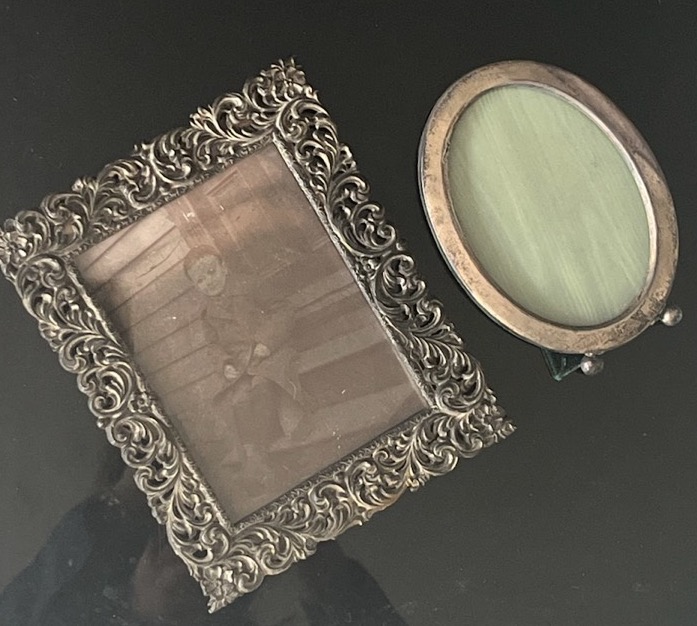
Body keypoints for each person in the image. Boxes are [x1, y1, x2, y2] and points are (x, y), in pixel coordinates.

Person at [183, 246, 309, 499]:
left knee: (262, 384)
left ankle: (256, 462)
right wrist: (225, 364)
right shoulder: (207, 314)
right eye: (200, 280)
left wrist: (267, 340)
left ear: (224, 267)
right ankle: (256, 459)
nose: (209, 281)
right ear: (195, 286)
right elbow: (213, 346)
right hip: (242, 364)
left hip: (271, 353)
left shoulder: (249, 285)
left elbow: (284, 310)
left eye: (211, 272)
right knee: (238, 399)